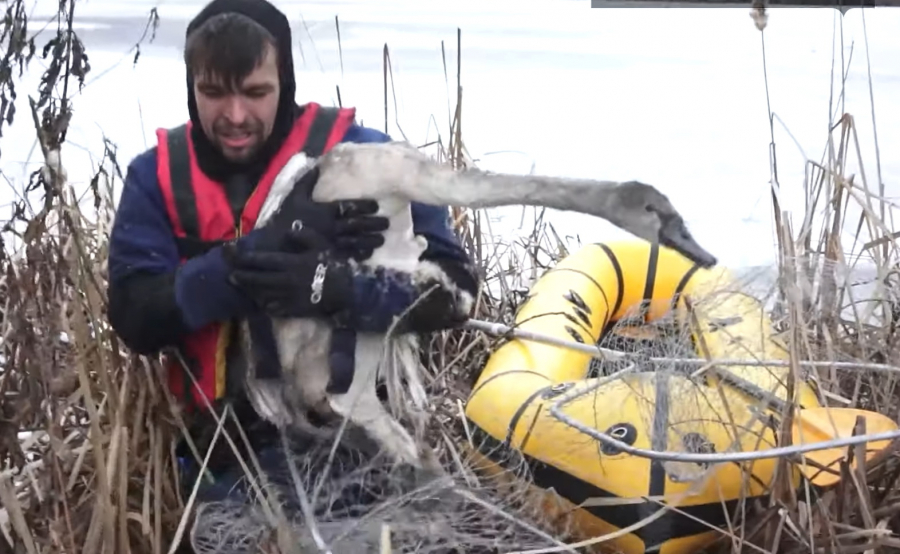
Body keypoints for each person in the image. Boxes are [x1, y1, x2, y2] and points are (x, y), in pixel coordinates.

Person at [105, 0, 478, 536]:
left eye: (256, 92)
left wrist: (333, 287)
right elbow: (135, 318)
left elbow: (456, 291)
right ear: (192, 88)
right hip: (223, 445)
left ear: (286, 81)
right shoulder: (155, 178)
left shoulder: (365, 157)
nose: (234, 116)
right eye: (213, 93)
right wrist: (243, 264)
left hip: (363, 438)